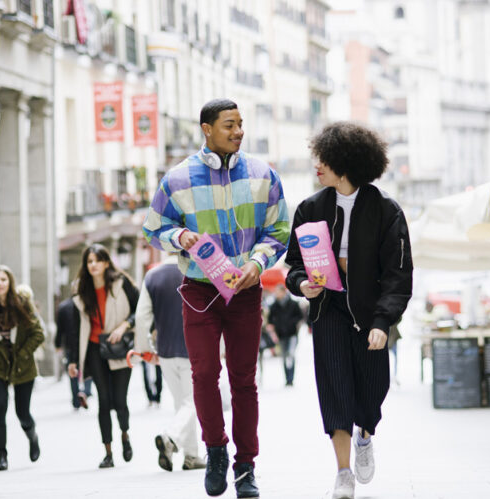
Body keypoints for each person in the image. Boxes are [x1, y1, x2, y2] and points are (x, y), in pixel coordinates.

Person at [143, 98, 290, 498]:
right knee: (204, 375)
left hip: (245, 290)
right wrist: (180, 236)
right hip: (198, 291)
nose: (238, 131)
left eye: (241, 124)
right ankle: (215, 450)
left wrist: (257, 265)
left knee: (245, 381)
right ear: (206, 129)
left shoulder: (264, 175)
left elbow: (279, 229)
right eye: (229, 125)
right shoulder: (177, 179)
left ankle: (246, 466)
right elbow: (153, 227)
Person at [284, 122, 413, 499]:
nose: (316, 167)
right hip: (329, 312)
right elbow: (294, 264)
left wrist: (383, 321)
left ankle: (366, 434)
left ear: (345, 164)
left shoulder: (386, 209)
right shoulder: (310, 208)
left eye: (322, 160)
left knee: (373, 389)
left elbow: (398, 273)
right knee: (335, 389)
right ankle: (343, 473)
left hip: (371, 312)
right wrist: (301, 285)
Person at [67, 244, 139, 469]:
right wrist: (72, 359)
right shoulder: (81, 291)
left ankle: (125, 435)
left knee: (119, 400)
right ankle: (108, 452)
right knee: (104, 401)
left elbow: (140, 309)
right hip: (94, 350)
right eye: (89, 261)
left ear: (106, 262)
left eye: (97, 260)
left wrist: (123, 326)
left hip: (119, 348)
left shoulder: (121, 283)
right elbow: (75, 327)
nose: (93, 265)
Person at [134, 256, 207, 472]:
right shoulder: (197, 270)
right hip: (194, 348)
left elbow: (141, 317)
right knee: (193, 402)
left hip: (165, 352)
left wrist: (145, 349)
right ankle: (171, 437)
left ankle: (191, 455)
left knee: (182, 403)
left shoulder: (152, 276)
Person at [0, 265, 45, 472]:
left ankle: (33, 437)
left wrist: (21, 353)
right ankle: (2, 456)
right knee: (0, 406)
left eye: (3, 280)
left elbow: (38, 333)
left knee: (22, 412)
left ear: (9, 282)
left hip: (24, 366)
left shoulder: (21, 303)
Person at [55, 297, 92, 410]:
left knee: (73, 370)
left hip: (70, 344)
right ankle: (86, 391)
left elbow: (59, 329)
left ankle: (76, 400)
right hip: (87, 342)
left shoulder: (63, 306)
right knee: (88, 367)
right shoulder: (87, 303)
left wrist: (58, 344)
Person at [266, 284, 303, 386]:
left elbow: (300, 316)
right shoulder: (273, 306)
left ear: (283, 292)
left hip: (292, 334)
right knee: (283, 356)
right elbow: (270, 320)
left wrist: (294, 324)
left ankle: (291, 378)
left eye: (278, 291)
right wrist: (273, 328)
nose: (276, 294)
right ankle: (287, 378)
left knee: (291, 354)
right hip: (280, 335)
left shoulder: (293, 304)